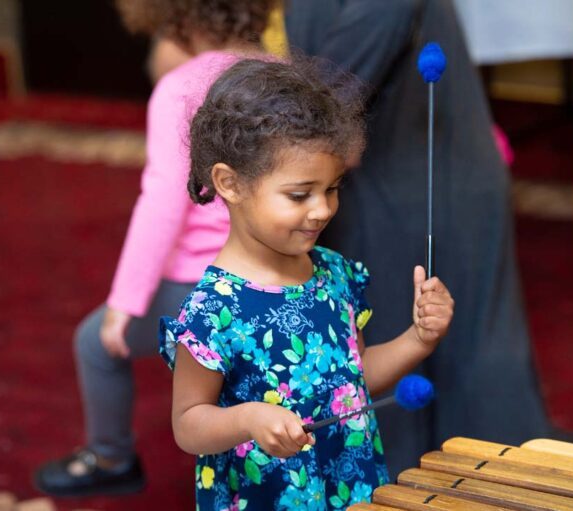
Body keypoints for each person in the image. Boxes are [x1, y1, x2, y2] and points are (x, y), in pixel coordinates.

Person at [160, 58, 454, 510]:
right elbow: (188, 423)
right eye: (299, 195)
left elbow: (351, 381)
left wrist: (418, 339)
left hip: (348, 488)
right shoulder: (212, 310)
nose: (322, 209)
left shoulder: (334, 273)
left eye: (332, 188)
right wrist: (248, 419)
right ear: (229, 183)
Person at [285, 0, 553, 478]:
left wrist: (256, 150)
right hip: (375, 174)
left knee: (461, 369)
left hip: (425, 180)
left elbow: (324, 102)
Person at [33, 0, 275, 497]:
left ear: (176, 18)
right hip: (275, 270)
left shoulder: (181, 87)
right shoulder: (280, 73)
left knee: (94, 344)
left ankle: (110, 457)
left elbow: (165, 200)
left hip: (204, 281)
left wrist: (125, 304)